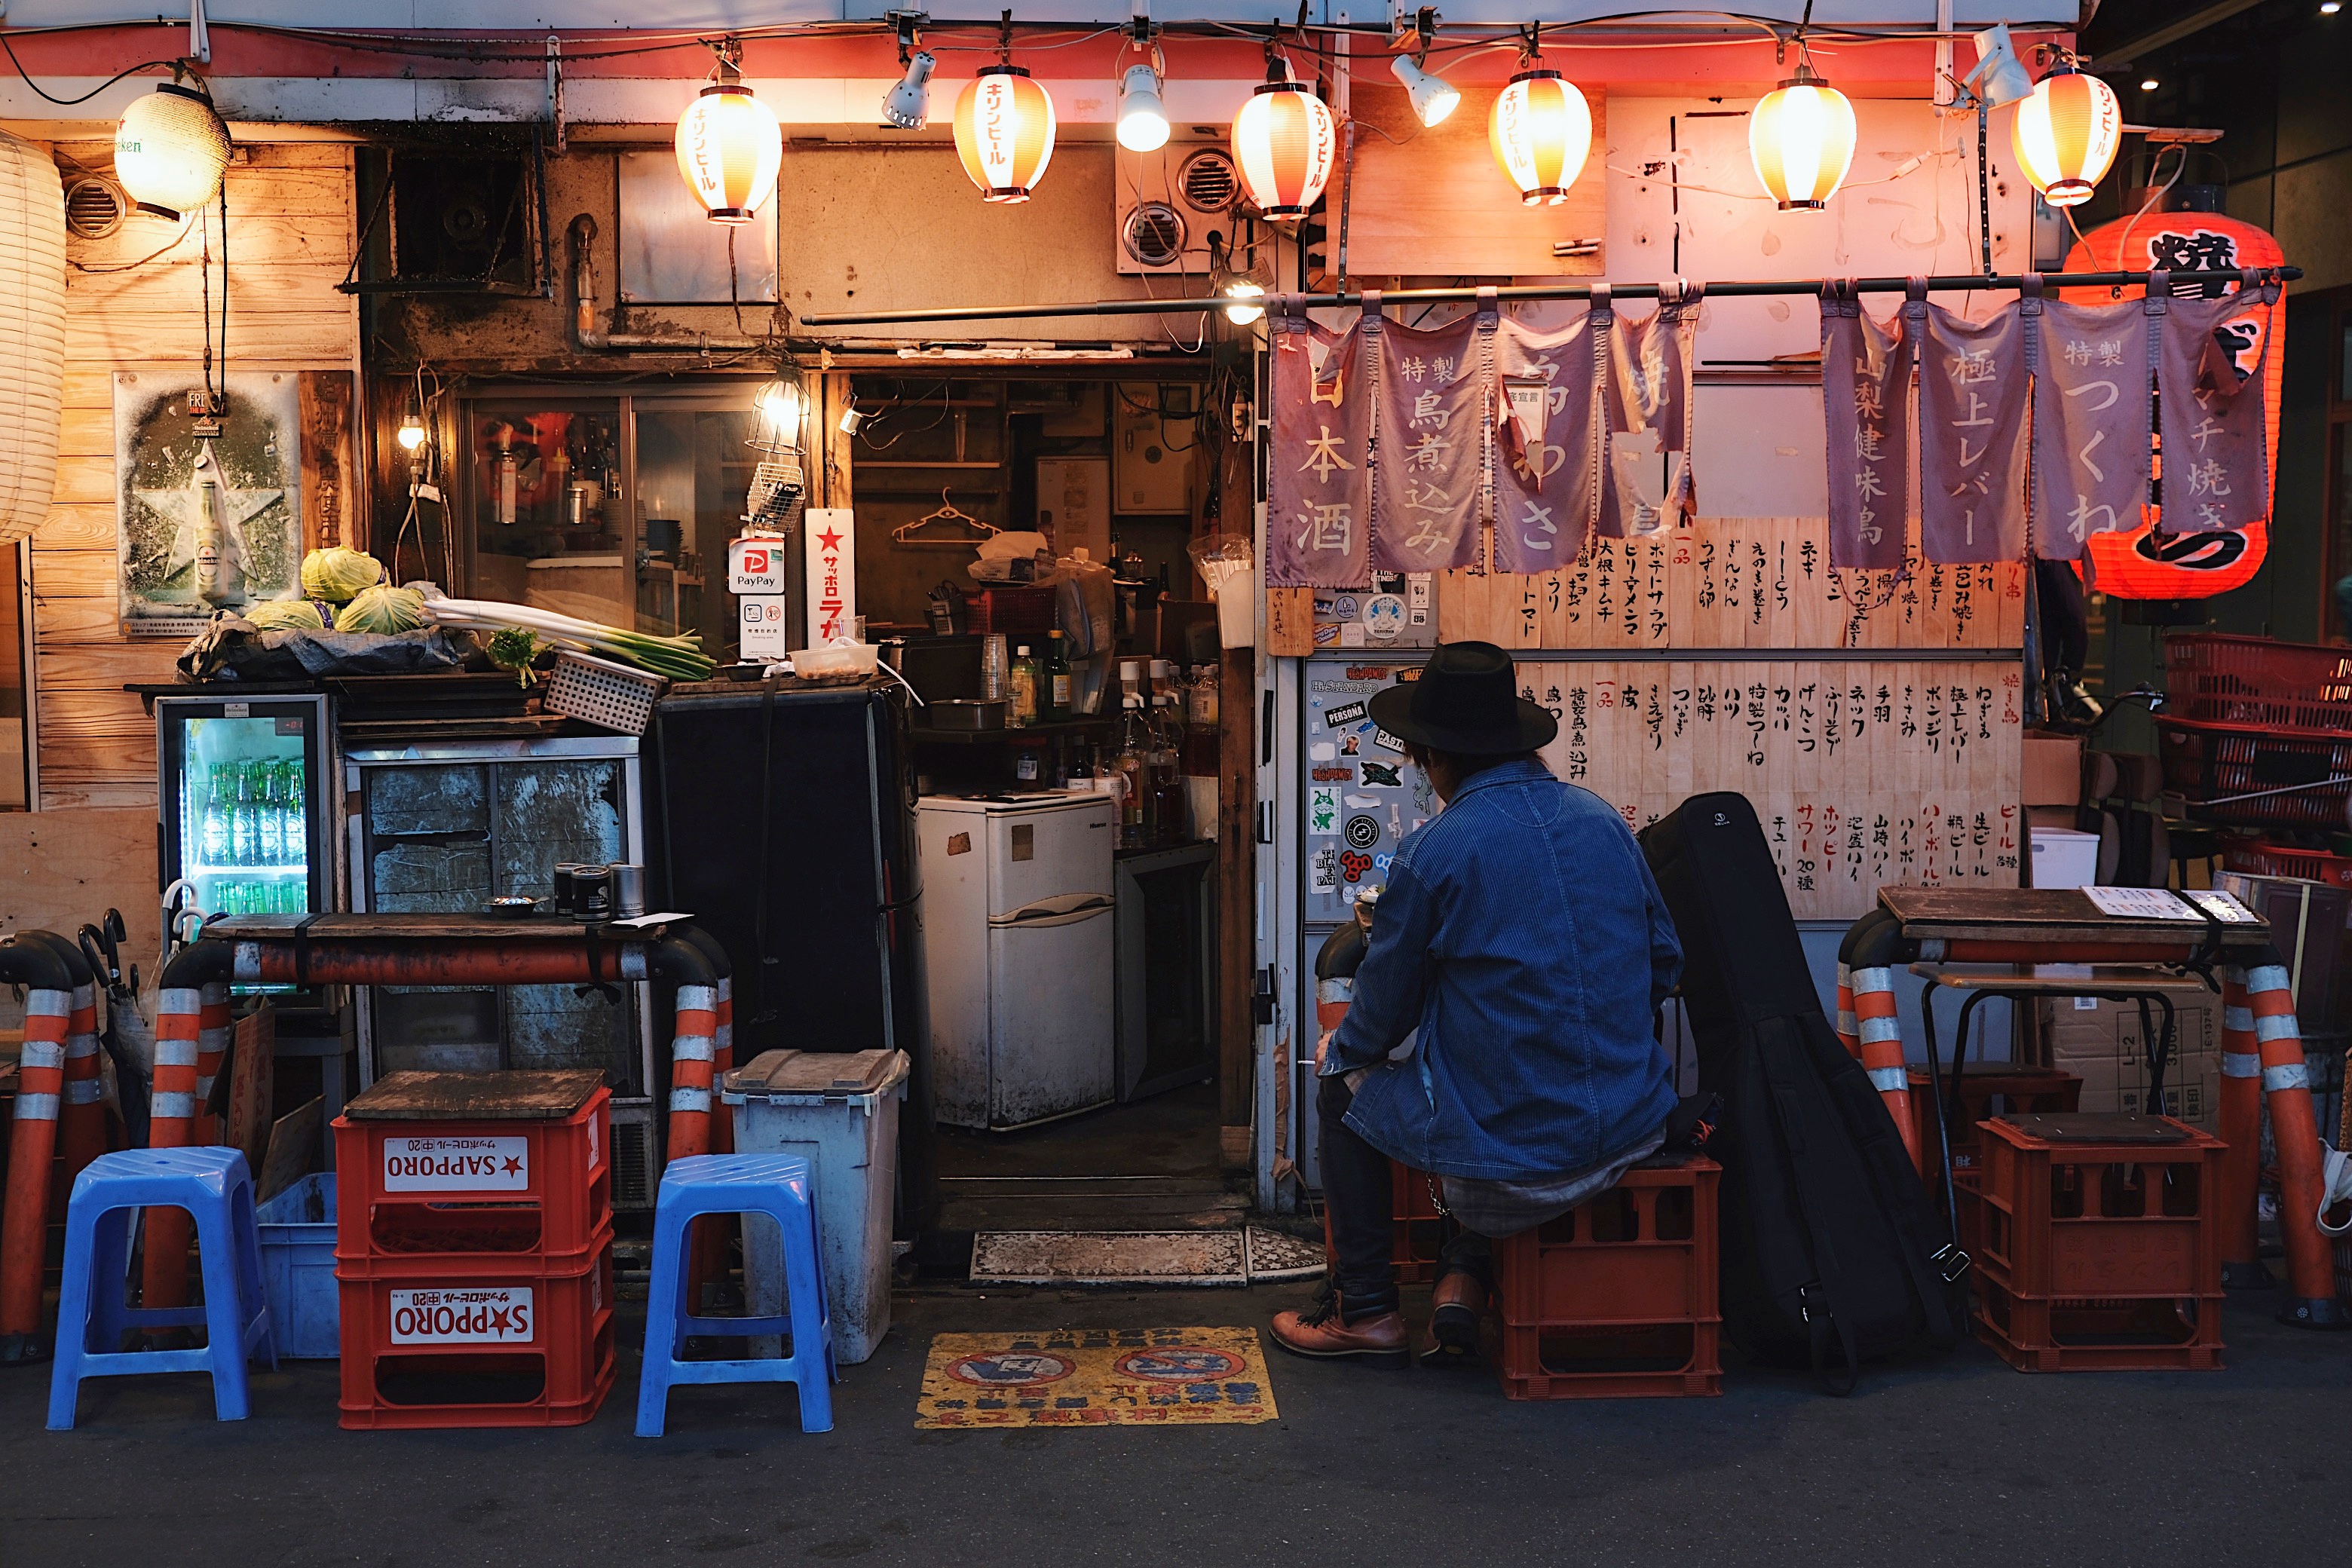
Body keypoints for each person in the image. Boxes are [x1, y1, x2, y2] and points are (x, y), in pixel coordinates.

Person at [1269, 640, 1683, 1367]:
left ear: (1435, 759)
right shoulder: (1603, 821)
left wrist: (1348, 1047)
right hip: (1630, 1121)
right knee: (1481, 1066)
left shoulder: (1438, 851)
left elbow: (1382, 1016)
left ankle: (1364, 1310)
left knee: (1345, 1085)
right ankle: (1463, 1273)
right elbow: (1664, 964)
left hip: (1515, 1152)